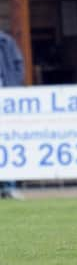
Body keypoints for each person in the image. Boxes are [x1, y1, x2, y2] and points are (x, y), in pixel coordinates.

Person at [0, 30, 25, 200]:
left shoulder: (6, 42)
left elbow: (18, 65)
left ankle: (9, 186)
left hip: (7, 99)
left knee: (7, 140)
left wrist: (12, 87)